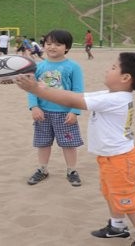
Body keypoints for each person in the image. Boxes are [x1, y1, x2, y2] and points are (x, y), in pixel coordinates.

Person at [15, 52, 135, 246]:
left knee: (127, 200)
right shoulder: (108, 95)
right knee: (110, 192)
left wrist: (37, 90)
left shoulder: (116, 99)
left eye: (113, 67)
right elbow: (74, 95)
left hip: (122, 160)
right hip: (110, 158)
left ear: (125, 78)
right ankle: (117, 227)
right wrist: (38, 85)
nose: (107, 69)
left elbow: (72, 102)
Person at [25, 29, 84, 187]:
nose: (52, 47)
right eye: (48, 43)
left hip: (65, 114)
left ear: (67, 47)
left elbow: (78, 91)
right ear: (43, 45)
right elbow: (32, 89)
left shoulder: (73, 67)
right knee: (43, 143)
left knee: (68, 144)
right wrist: (34, 107)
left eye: (58, 44)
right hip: (42, 113)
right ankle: (42, 169)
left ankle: (71, 170)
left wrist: (74, 111)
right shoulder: (38, 66)